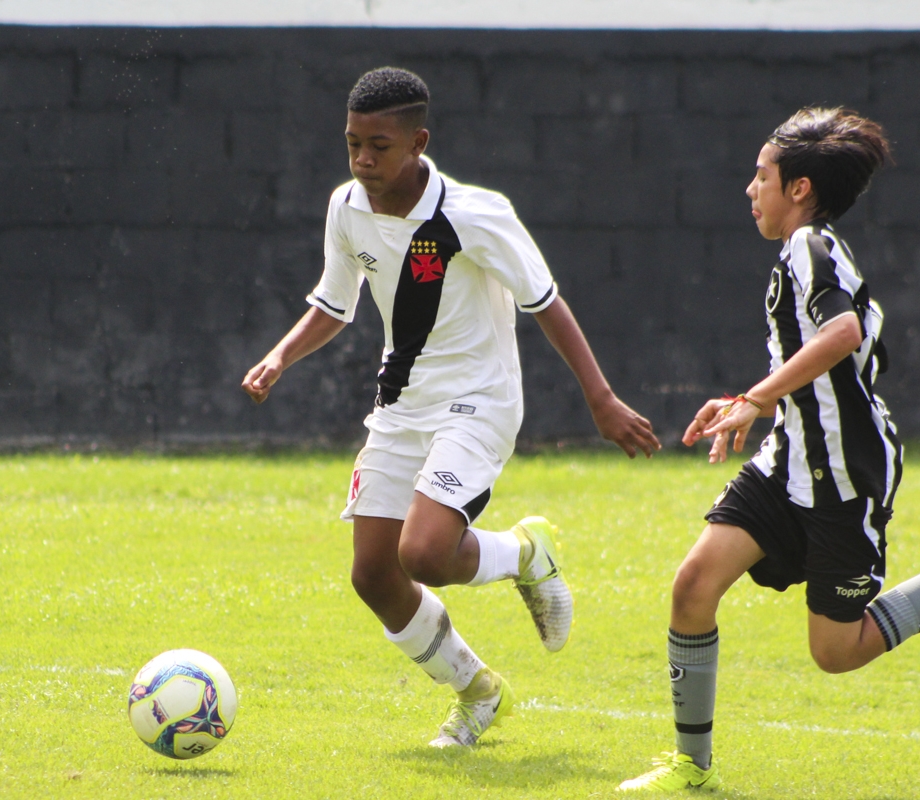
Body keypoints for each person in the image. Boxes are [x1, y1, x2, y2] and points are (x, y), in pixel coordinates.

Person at [618, 107, 920, 792]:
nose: (750, 188)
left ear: (799, 188)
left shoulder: (810, 246)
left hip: (844, 474)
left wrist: (756, 399)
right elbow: (816, 360)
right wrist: (750, 400)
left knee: (836, 652)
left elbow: (843, 334)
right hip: (787, 461)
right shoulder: (799, 253)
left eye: (761, 176)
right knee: (693, 586)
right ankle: (691, 765)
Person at [242, 67, 661, 748]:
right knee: (373, 574)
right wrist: (280, 357)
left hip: (478, 400)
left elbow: (546, 302)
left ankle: (524, 552)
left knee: (425, 553)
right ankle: (477, 692)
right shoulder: (346, 207)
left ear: (419, 143)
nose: (363, 160)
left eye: (379, 146)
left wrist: (602, 398)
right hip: (401, 405)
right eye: (352, 144)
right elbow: (334, 303)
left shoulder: (474, 214)